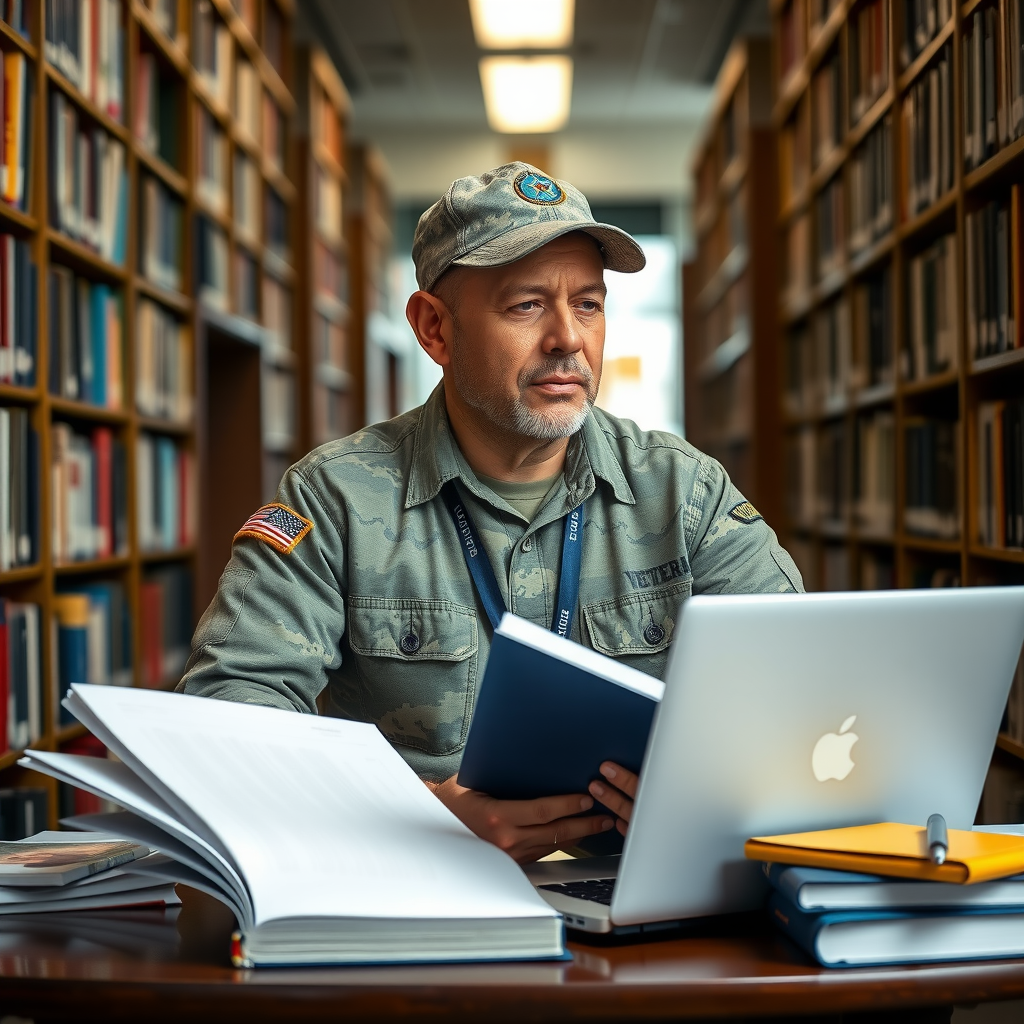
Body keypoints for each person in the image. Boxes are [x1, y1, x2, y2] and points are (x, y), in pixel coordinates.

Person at [178, 162, 803, 863]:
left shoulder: (684, 493)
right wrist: (415, 818)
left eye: (589, 304)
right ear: (435, 329)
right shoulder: (335, 498)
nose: (568, 338)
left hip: (644, 901)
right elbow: (229, 716)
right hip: (416, 902)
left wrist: (700, 792)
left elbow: (799, 693)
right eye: (526, 305)